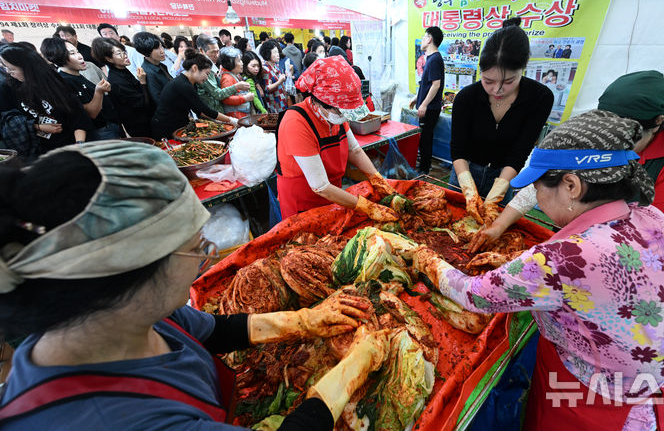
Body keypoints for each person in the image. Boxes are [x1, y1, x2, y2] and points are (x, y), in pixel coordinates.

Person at [0, 140, 391, 429]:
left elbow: (217, 330)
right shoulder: (114, 419)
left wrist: (306, 320)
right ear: (129, 272)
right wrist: (356, 364)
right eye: (194, 249)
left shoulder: (123, 316)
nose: (205, 260)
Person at [411, 110, 664, 431]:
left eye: (538, 187)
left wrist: (423, 256)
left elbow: (476, 296)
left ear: (571, 185)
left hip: (593, 396)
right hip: (648, 382)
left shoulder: (568, 255)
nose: (536, 198)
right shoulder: (652, 216)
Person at [481, 71, 664, 246]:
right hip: (573, 237)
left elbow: (649, 230)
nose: (610, 140)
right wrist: (500, 224)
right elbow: (547, 177)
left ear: (657, 122)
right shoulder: (588, 134)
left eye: (626, 134)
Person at [450, 17, 553, 223]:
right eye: (488, 81)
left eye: (508, 82)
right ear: (481, 71)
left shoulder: (540, 98)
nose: (497, 90)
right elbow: (458, 149)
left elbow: (520, 150)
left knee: (493, 228)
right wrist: (468, 188)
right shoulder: (466, 98)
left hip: (505, 175)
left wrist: (500, 186)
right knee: (454, 223)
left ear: (523, 69)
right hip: (466, 170)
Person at [275, 55, 397, 220]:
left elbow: (354, 150)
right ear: (320, 102)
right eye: (340, 111)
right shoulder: (295, 122)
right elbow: (321, 186)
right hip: (303, 203)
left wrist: (377, 179)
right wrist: (366, 207)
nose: (343, 116)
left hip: (334, 195)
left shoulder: (334, 117)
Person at [0, 43, 92, 152]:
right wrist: (37, 126)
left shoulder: (56, 84)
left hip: (68, 145)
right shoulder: (12, 87)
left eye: (12, 68)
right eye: (5, 67)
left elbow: (78, 118)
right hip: (36, 149)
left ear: (27, 67)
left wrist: (79, 145)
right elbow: (10, 120)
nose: (8, 72)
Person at [40, 37, 121, 141]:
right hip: (100, 132)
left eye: (77, 51)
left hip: (109, 125)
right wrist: (99, 92)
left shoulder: (76, 75)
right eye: (72, 53)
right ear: (60, 57)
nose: (80, 56)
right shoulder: (65, 81)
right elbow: (91, 113)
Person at [151, 49, 239, 139]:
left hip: (177, 124)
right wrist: (231, 120)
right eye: (207, 73)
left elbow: (199, 110)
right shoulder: (184, 85)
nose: (207, 78)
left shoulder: (190, 83)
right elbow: (206, 110)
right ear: (195, 68)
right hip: (166, 128)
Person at [91, 37, 153, 137]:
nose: (125, 56)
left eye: (124, 51)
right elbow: (143, 104)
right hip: (140, 127)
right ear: (109, 59)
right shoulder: (116, 81)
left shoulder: (122, 70)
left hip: (146, 122)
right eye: (119, 54)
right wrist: (143, 82)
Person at [410, 26, 445, 175]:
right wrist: (416, 98)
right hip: (427, 106)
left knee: (426, 138)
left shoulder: (435, 59)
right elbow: (427, 84)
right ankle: (424, 165)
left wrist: (423, 104)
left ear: (430, 39)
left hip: (430, 108)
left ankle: (425, 168)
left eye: (424, 37)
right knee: (424, 137)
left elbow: (436, 85)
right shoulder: (430, 59)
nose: (422, 40)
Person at [194, 34, 248, 115]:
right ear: (201, 50)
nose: (216, 55)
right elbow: (218, 94)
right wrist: (237, 87)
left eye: (217, 51)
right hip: (211, 114)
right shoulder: (201, 69)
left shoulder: (212, 67)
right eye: (213, 52)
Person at [133, 32, 172, 108]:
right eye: (157, 48)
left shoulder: (160, 65)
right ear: (146, 51)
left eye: (161, 46)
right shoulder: (148, 72)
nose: (162, 51)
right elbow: (159, 101)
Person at [218, 47, 254, 119]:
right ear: (230, 63)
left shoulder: (232, 75)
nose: (242, 63)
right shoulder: (227, 78)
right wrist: (245, 98)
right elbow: (226, 99)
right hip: (237, 117)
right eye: (239, 61)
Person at [260, 41, 288, 113]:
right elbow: (267, 88)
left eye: (277, 52)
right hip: (274, 103)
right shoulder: (265, 69)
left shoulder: (276, 65)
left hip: (282, 99)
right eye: (275, 52)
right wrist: (280, 81)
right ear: (268, 53)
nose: (278, 54)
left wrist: (284, 77)